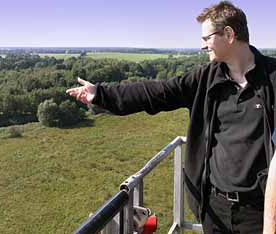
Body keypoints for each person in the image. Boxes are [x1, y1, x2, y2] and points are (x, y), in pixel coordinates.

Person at [66, 1, 276, 233]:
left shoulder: (273, 80)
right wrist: (101, 95)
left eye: (207, 38)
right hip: (215, 209)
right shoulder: (206, 79)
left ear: (228, 34)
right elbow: (159, 92)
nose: (202, 46)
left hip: (261, 212)